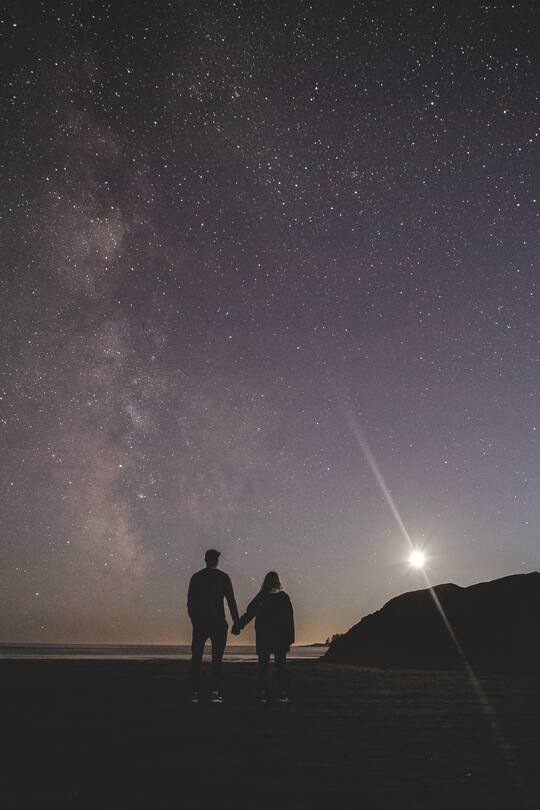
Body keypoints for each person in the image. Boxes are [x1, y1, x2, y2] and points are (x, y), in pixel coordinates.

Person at [187, 549, 239, 703]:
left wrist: (195, 621)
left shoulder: (196, 577)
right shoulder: (223, 577)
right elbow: (231, 601)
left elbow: (190, 603)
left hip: (201, 623)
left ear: (205, 559)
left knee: (196, 658)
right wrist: (236, 623)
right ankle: (214, 691)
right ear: (217, 561)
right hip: (218, 623)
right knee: (217, 659)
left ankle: (195, 692)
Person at [234, 571, 294, 703]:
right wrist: (290, 638)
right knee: (281, 666)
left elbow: (250, 611)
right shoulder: (284, 597)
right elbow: (289, 619)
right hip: (280, 637)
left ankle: (262, 693)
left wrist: (238, 625)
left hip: (264, 636)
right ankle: (282, 693)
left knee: (263, 665)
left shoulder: (262, 596)